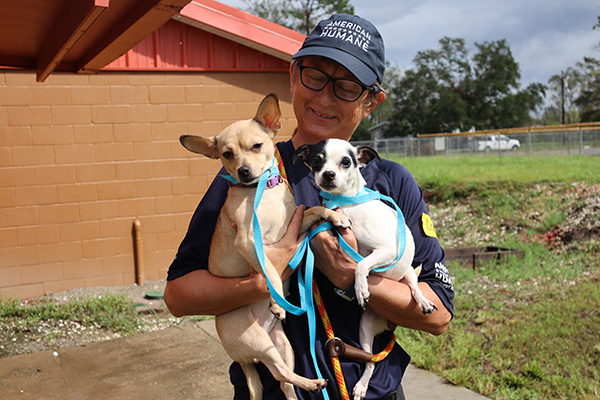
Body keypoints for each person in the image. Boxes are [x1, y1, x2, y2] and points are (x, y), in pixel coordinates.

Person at [165, 13, 454, 400]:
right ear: (293, 76)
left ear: (372, 101)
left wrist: (351, 275)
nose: (323, 97)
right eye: (314, 77)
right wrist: (263, 280)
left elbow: (438, 315)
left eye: (347, 87)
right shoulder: (248, 176)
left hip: (374, 391)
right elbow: (178, 295)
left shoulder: (392, 184)